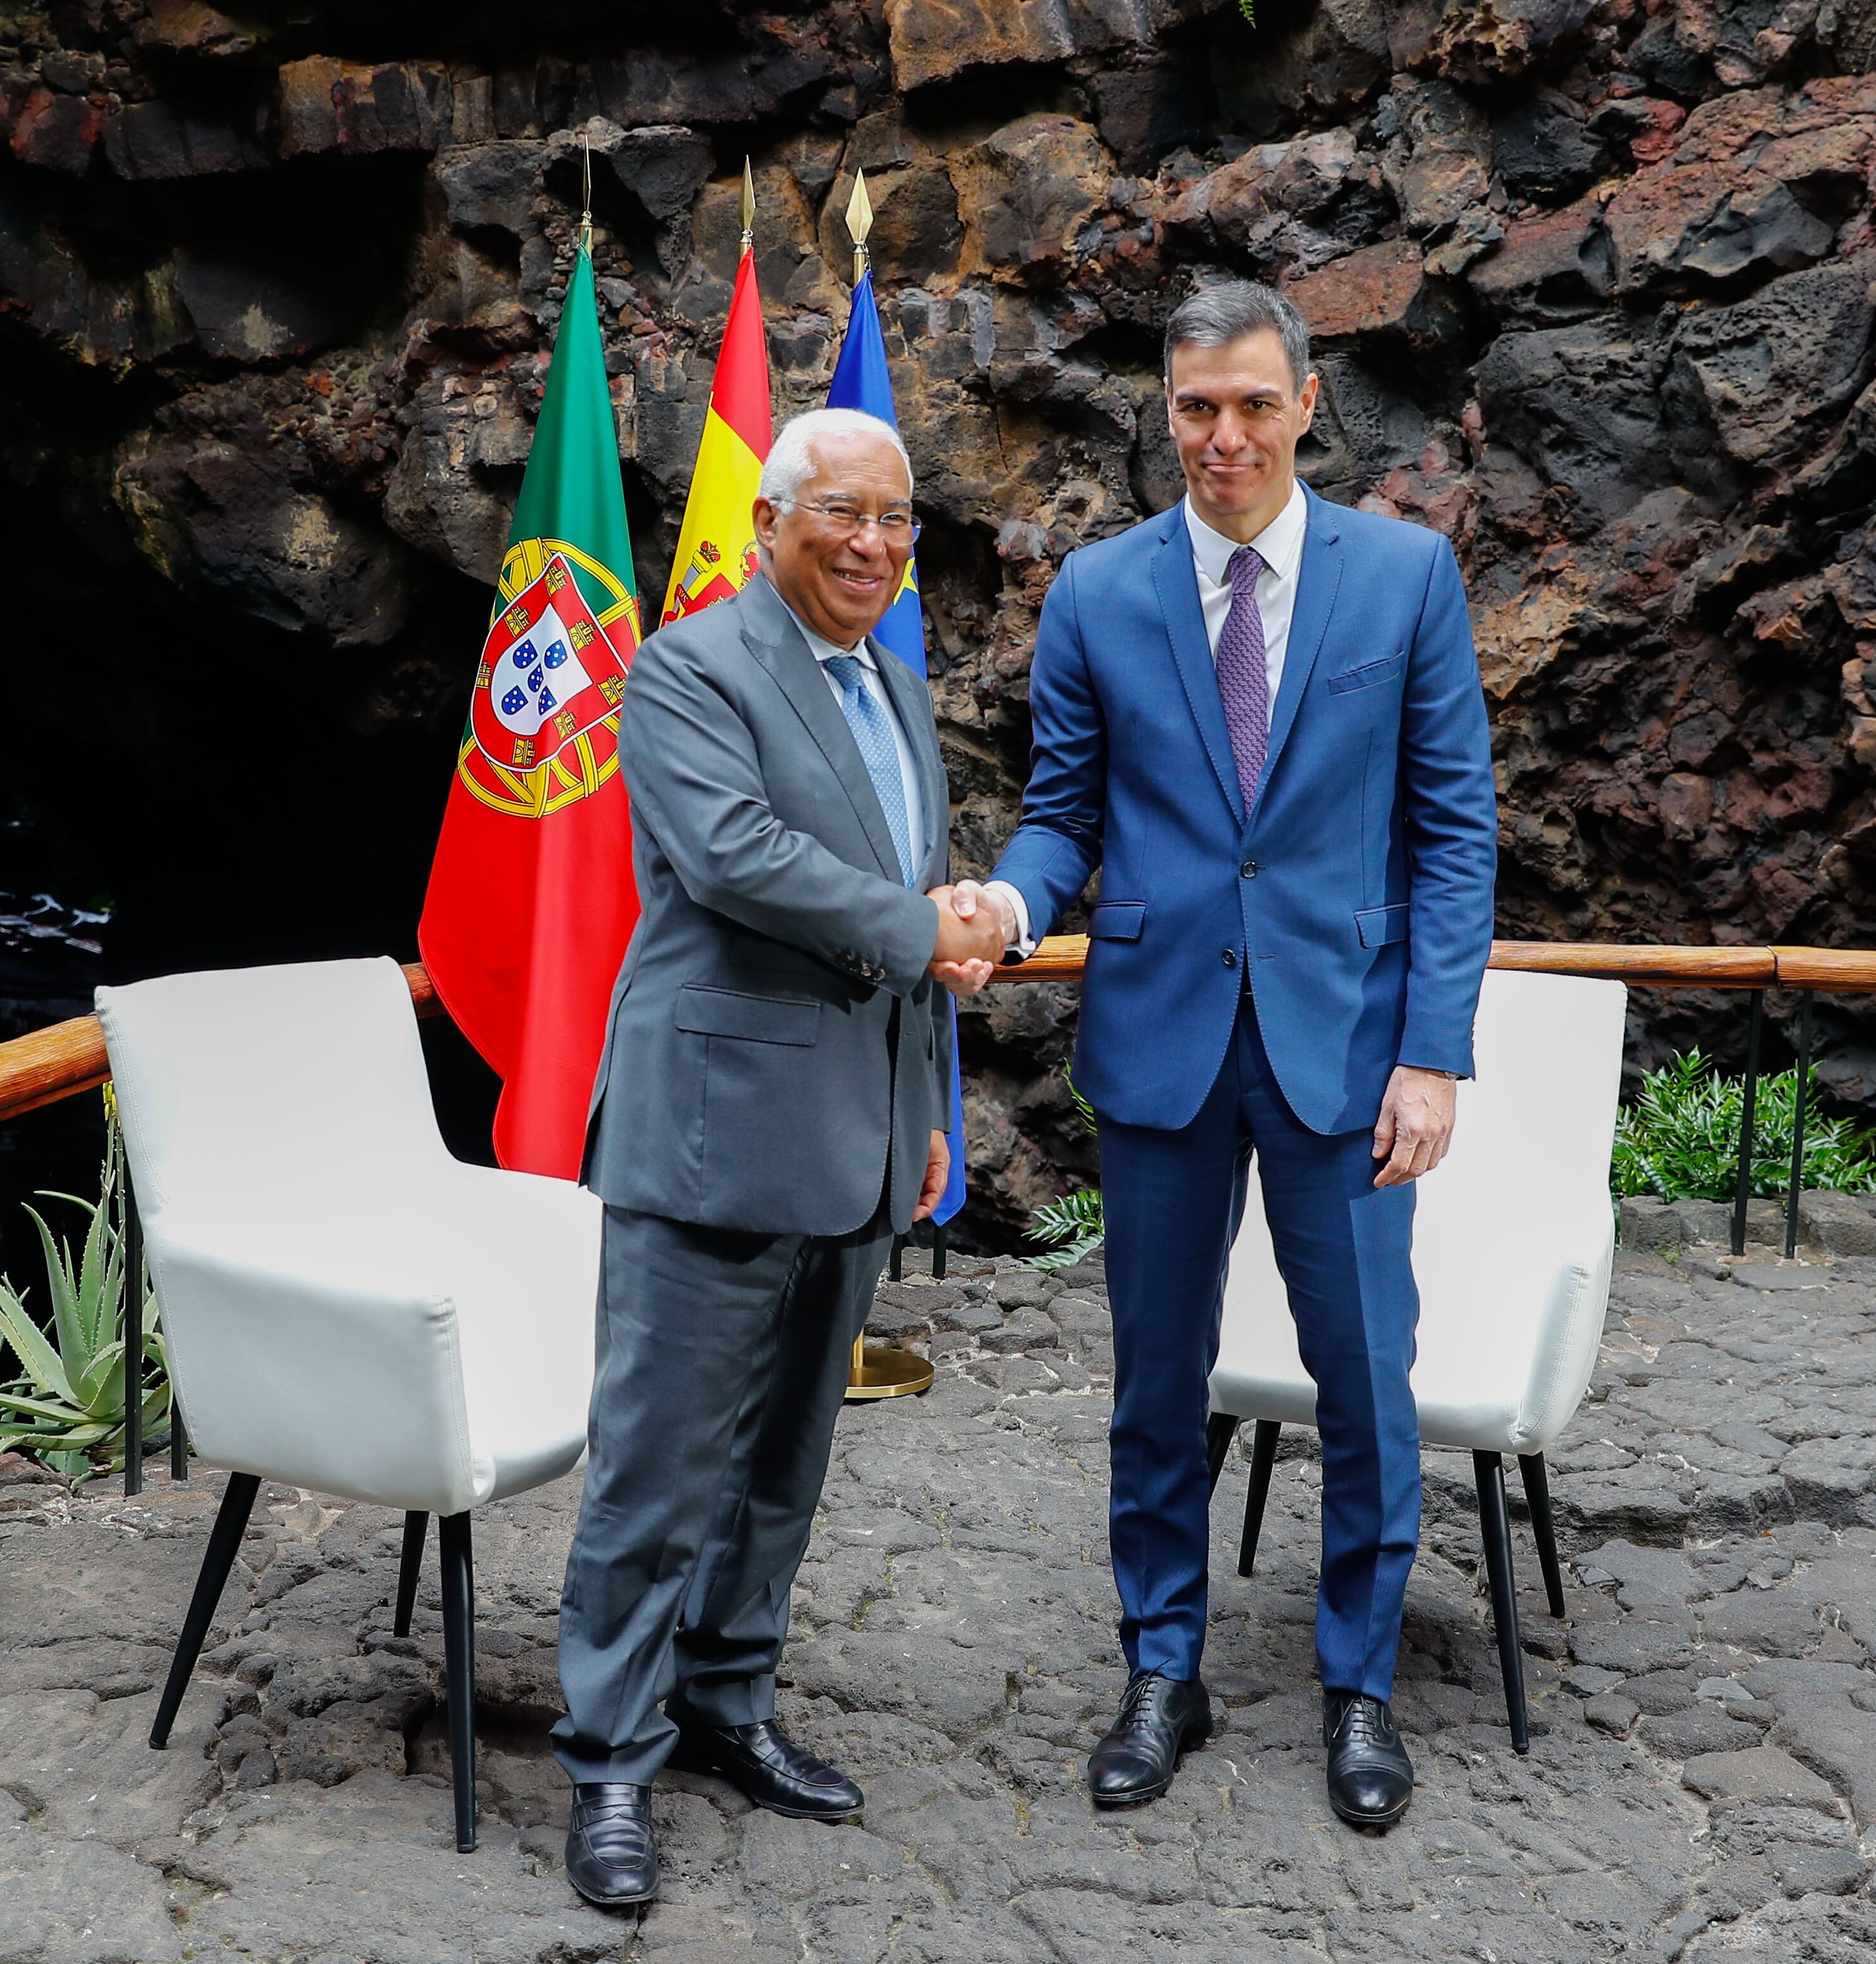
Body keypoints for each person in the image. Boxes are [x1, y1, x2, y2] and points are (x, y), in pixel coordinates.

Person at [946, 281, 1495, 1830]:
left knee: (1367, 1386)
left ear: (1307, 403)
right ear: (1165, 410)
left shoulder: (1405, 580)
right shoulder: (1101, 595)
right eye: (1197, 407)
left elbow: (1454, 836)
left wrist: (1433, 1052)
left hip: (1347, 1049)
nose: (1225, 437)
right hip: (1162, 1040)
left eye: (1254, 404)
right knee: (1154, 1381)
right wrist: (1007, 894)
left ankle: (1360, 1689)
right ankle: (1159, 1670)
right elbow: (1065, 816)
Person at [553, 406, 1008, 1905]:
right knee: (658, 1471)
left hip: (856, 1139)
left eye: (895, 520)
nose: (872, 544)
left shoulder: (893, 684)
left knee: (784, 1465)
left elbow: (900, 911)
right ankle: (611, 1761)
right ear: (773, 523)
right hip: (714, 1138)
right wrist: (921, 930)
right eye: (842, 515)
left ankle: (727, 1706)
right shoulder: (689, 667)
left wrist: (919, 1095)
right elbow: (732, 853)